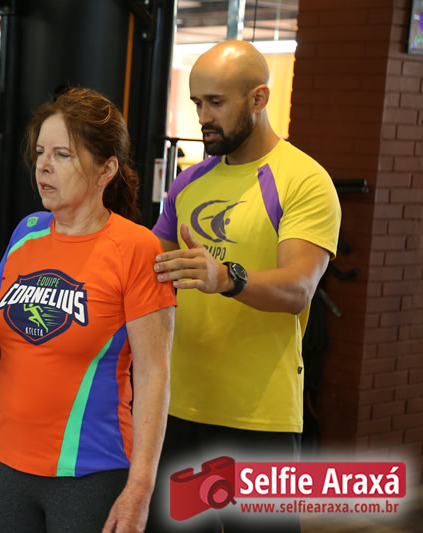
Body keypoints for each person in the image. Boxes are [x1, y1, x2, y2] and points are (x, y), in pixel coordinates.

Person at [0, 87, 176, 532]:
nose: (44, 166)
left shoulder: (136, 248)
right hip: (7, 461)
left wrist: (140, 488)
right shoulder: (27, 232)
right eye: (40, 153)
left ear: (106, 169)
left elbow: (153, 374)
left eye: (62, 155)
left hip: (91, 471)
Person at [148, 40, 341, 532]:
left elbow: (298, 288)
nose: (203, 117)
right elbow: (147, 266)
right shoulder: (188, 183)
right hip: (178, 406)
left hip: (259, 418)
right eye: (197, 103)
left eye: (216, 102)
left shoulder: (303, 180)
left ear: (258, 98)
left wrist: (225, 277)